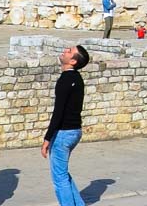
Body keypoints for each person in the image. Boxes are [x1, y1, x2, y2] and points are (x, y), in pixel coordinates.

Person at [43, 44, 89, 206]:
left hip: (63, 133)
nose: (65, 51)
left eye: (69, 51)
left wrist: (47, 138)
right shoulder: (77, 78)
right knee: (62, 173)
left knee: (59, 178)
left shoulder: (65, 80)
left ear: (73, 61)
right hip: (74, 131)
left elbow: (59, 112)